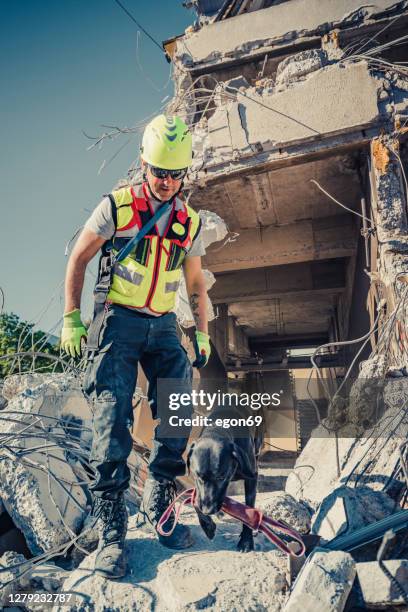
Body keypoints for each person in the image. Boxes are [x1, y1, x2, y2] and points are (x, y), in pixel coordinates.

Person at [61, 115, 211, 579]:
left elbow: (195, 283)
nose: (166, 183)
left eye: (174, 174)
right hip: (119, 322)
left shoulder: (188, 222)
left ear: (183, 173)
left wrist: (201, 331)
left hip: (162, 323)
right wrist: (71, 318)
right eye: (158, 173)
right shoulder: (117, 208)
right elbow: (78, 259)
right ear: (144, 164)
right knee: (112, 418)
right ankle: (111, 537)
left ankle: (160, 492)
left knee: (180, 398)